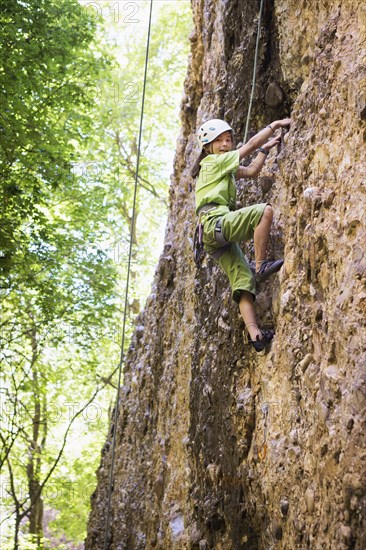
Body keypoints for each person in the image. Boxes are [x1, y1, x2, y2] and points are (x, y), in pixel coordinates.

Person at [193, 117, 291, 352]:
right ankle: (261, 264)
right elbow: (247, 147)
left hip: (211, 236)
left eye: (228, 140)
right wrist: (274, 125)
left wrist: (265, 152)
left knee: (243, 282)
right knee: (263, 212)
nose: (226, 144)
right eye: (220, 141)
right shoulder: (212, 163)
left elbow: (252, 171)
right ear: (208, 147)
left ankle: (255, 335)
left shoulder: (222, 168)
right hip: (215, 222)